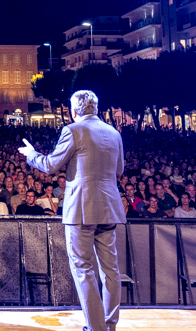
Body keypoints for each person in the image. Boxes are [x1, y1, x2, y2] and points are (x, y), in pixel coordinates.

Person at [20, 90, 125, 331]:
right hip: (109, 209)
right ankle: (109, 326)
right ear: (95, 108)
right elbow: (119, 170)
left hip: (81, 209)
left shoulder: (73, 130)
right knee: (111, 270)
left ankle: (95, 327)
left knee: (83, 269)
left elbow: (51, 165)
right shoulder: (114, 132)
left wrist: (31, 154)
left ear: (73, 110)